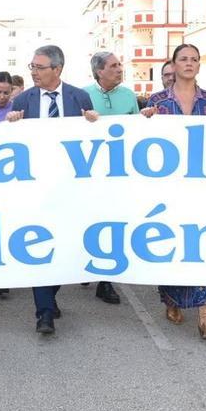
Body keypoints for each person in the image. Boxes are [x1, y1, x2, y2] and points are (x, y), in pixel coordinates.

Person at [142, 44, 206, 339]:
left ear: (199, 66)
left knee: (202, 242)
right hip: (168, 186)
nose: (189, 63)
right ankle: (172, 299)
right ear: (173, 65)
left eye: (194, 59)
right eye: (183, 59)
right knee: (171, 242)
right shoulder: (157, 100)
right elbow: (144, 143)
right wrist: (144, 120)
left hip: (202, 185)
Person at [7, 45, 99, 334]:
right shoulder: (22, 100)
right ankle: (44, 312)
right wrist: (11, 125)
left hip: (70, 188)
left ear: (57, 69)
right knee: (40, 245)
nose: (33, 72)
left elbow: (91, 141)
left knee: (65, 245)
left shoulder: (79, 97)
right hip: (36, 189)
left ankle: (51, 294)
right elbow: (10, 144)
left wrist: (94, 123)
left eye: (39, 67)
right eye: (32, 66)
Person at [82, 51, 141, 305]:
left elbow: (137, 133)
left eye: (120, 64)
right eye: (114, 65)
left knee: (113, 225)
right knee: (88, 222)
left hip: (118, 174)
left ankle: (105, 282)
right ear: (99, 71)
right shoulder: (82, 95)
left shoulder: (129, 96)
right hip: (88, 174)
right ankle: (84, 266)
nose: (119, 69)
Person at [85, 51, 139, 118]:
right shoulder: (83, 95)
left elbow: (136, 123)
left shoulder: (129, 94)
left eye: (119, 65)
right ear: (99, 73)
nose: (120, 70)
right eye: (113, 66)